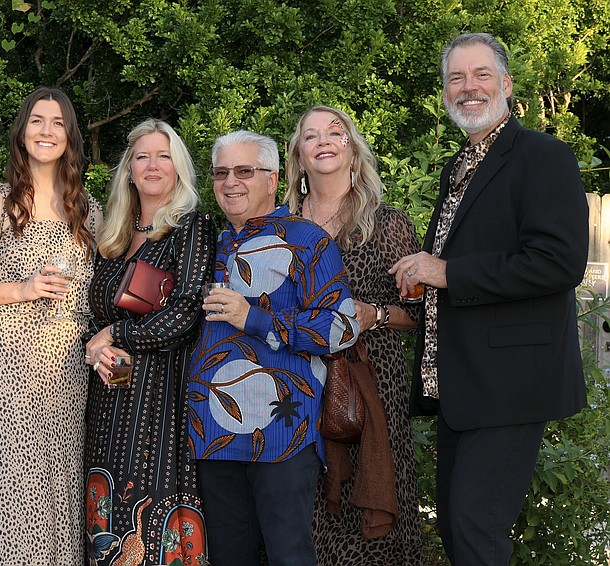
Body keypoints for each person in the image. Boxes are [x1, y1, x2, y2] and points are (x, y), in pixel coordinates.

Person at [390, 32, 588, 565]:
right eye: (456, 78)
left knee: (475, 527)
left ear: (506, 83)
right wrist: (425, 281)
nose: (468, 88)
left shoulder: (543, 156)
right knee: (458, 527)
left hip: (512, 382)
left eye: (480, 75)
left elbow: (559, 262)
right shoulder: (460, 165)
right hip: (466, 384)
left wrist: (448, 272)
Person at [0, 86, 101, 565]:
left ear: (70, 136)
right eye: (37, 121)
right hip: (12, 370)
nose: (46, 131)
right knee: (15, 491)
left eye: (57, 122)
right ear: (21, 131)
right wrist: (21, 289)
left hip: (69, 372)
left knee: (60, 488)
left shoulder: (86, 208)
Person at [186, 130, 360, 566]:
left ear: (273, 178)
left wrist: (256, 319)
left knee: (290, 556)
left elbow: (340, 327)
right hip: (213, 432)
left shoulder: (306, 240)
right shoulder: (207, 243)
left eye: (245, 170)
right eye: (221, 172)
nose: (230, 182)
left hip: (283, 432)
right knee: (230, 557)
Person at [285, 105, 424, 564]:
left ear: (353, 150)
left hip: (370, 387)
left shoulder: (388, 222)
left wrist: (374, 314)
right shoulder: (278, 226)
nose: (324, 141)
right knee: (298, 514)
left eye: (335, 132)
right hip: (292, 386)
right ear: (299, 157)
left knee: (369, 526)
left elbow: (418, 314)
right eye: (311, 136)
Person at [82, 118, 215, 566]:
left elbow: (184, 314)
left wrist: (114, 334)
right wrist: (95, 345)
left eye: (164, 156)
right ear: (128, 169)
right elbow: (94, 314)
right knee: (105, 514)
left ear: (178, 167)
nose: (153, 165)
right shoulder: (113, 238)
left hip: (160, 400)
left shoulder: (191, 227)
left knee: (151, 507)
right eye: (142, 156)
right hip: (108, 396)